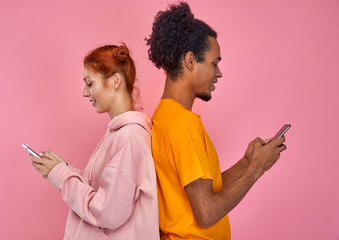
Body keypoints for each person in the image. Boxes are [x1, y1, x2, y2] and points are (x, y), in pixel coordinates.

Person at [146, 2, 287, 240]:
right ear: (190, 61)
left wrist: (246, 162)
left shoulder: (165, 115)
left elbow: (202, 192)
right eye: (214, 63)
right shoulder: (183, 124)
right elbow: (207, 212)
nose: (219, 73)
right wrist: (257, 168)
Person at [29, 44, 160, 240]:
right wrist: (61, 168)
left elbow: (107, 212)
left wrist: (60, 175)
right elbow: (102, 193)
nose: (84, 92)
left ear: (115, 81)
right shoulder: (118, 133)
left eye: (89, 84)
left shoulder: (129, 137)